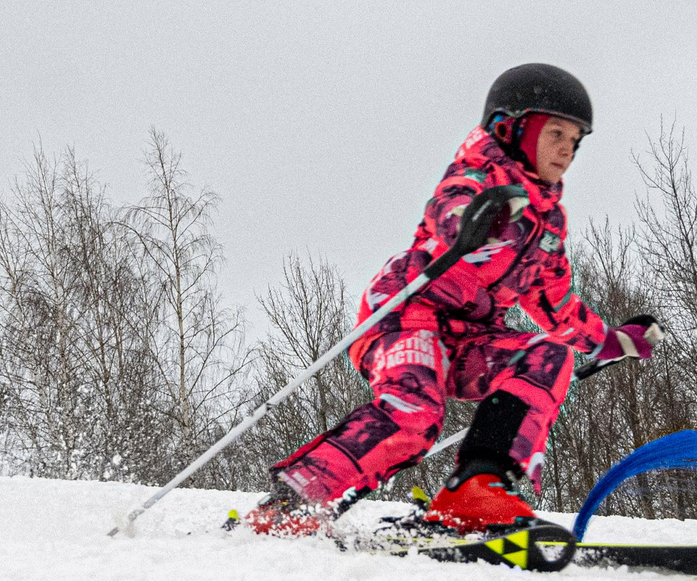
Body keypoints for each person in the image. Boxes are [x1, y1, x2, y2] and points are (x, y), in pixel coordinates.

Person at [245, 63, 659, 535]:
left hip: (471, 338)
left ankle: (476, 488)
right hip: (406, 315)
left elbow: (556, 305)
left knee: (547, 355)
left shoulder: (549, 225)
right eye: (556, 133)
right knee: (416, 413)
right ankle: (293, 503)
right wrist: (480, 220)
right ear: (511, 128)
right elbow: (450, 210)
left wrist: (608, 340)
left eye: (576, 140)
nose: (567, 149)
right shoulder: (478, 174)